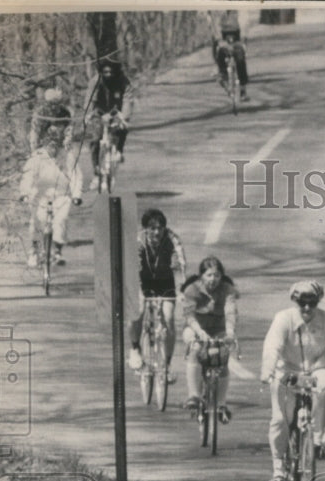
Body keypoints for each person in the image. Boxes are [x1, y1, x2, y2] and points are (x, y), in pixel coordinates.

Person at [260, 281, 325, 481]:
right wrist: (267, 371)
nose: (307, 308)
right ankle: (279, 468)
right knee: (280, 419)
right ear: (294, 301)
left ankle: (317, 442)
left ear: (318, 302)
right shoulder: (283, 319)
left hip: (317, 368)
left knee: (324, 388)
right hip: (287, 369)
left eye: (312, 302)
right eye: (302, 303)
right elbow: (272, 346)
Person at [127, 209, 186, 382]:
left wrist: (181, 289)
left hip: (165, 281)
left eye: (160, 228)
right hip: (142, 280)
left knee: (168, 319)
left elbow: (179, 265)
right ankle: (135, 348)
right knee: (136, 310)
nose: (157, 232)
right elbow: (133, 267)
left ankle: (166, 366)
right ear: (145, 229)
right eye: (152, 228)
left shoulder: (172, 239)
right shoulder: (138, 241)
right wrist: (138, 292)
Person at [181, 256, 239, 423]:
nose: (213, 279)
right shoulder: (192, 290)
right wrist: (199, 332)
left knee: (223, 357)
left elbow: (230, 311)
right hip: (195, 328)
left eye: (217, 275)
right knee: (195, 349)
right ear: (201, 276)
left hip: (219, 329)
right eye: (209, 275)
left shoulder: (227, 289)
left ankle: (221, 404)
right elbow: (189, 315)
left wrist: (229, 332)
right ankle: (194, 395)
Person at [19, 128, 83, 268]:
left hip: (61, 195)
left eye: (55, 145)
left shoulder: (67, 156)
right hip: (40, 194)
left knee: (61, 220)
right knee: (37, 220)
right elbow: (27, 176)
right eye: (50, 144)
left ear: (59, 144)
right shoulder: (37, 156)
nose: (52, 148)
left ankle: (58, 251)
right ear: (45, 143)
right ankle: (34, 250)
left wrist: (76, 194)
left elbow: (76, 176)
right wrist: (24, 192)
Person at [83, 55, 133, 186]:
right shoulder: (95, 81)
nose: (108, 74)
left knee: (122, 128)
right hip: (99, 111)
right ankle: (96, 172)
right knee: (94, 140)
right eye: (105, 72)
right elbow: (90, 99)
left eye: (111, 71)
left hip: (115, 110)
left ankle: (119, 151)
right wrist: (88, 114)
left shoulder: (123, 81)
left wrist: (125, 117)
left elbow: (127, 99)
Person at [210, 9, 249, 100]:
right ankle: (223, 75)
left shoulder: (240, 11)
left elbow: (244, 24)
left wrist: (243, 39)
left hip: (237, 37)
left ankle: (243, 89)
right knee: (221, 52)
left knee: (240, 58)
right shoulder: (219, 10)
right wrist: (219, 39)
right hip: (223, 37)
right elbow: (215, 26)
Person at [29, 87, 72, 152]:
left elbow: (69, 129)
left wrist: (67, 140)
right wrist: (34, 146)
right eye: (51, 104)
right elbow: (35, 130)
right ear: (46, 103)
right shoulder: (40, 112)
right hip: (43, 145)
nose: (53, 107)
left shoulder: (64, 113)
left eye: (56, 104)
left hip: (60, 146)